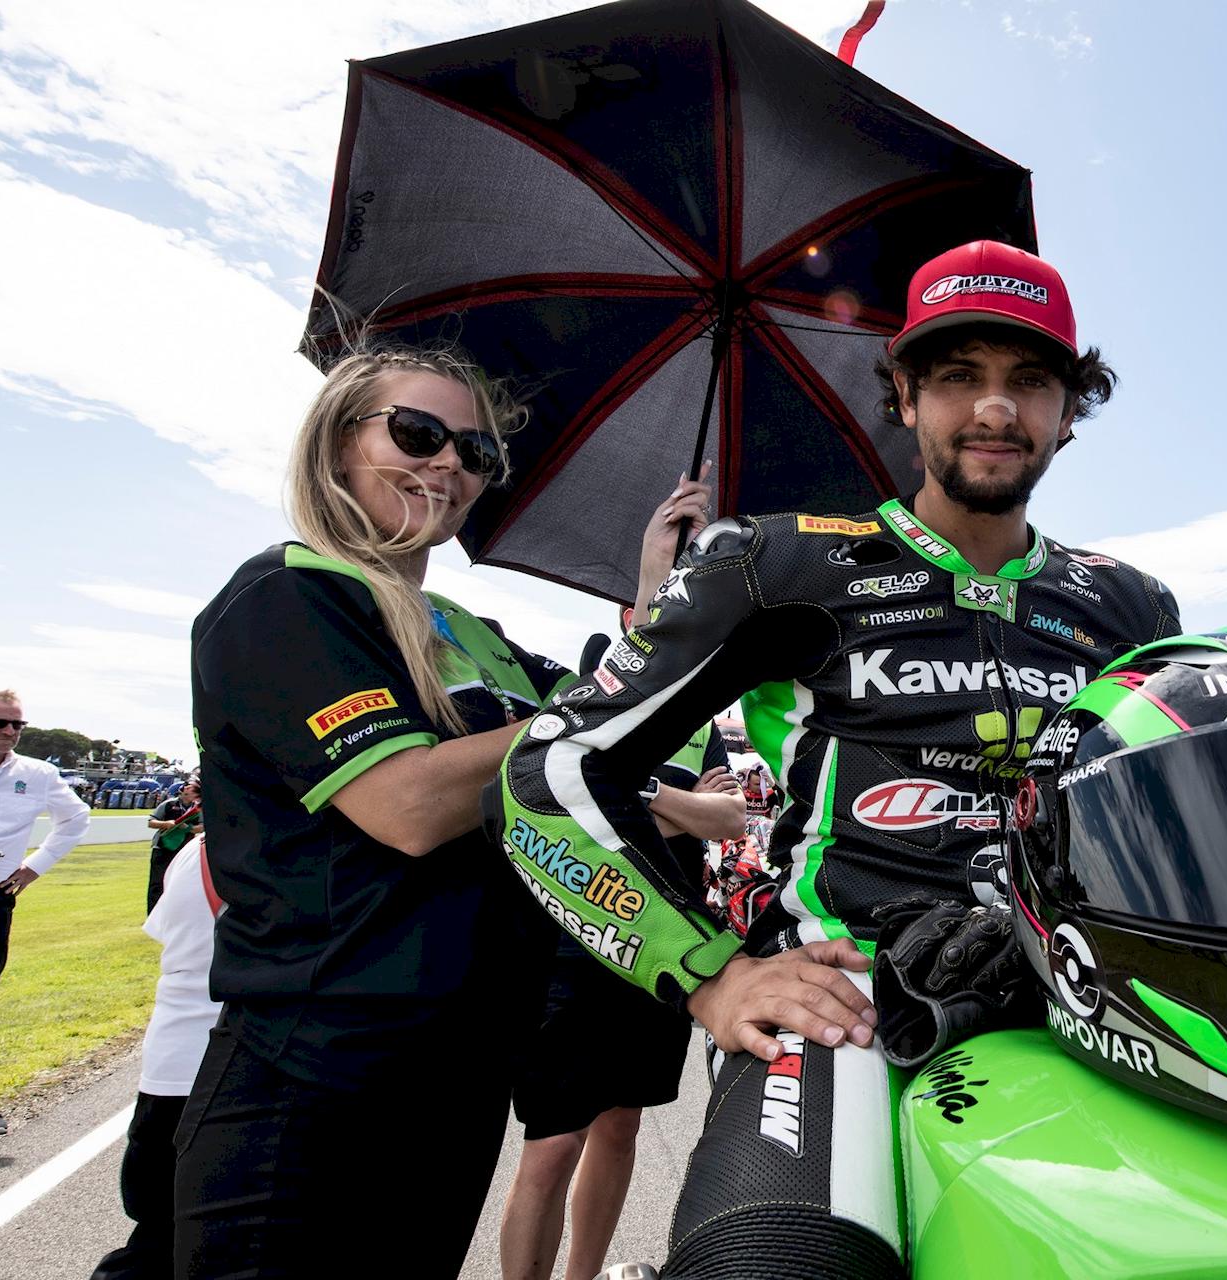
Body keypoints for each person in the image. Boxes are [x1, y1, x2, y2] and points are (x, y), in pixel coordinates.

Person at [492, 240, 1182, 1280]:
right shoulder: (782, 560)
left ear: (1068, 411)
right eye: (959, 376)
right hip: (840, 1010)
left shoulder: (1130, 604)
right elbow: (546, 775)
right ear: (904, 395)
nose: (995, 408)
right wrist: (710, 973)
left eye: (1029, 380)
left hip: (1069, 1005)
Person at [175, 343, 573, 1277]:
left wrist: (664, 601)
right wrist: (576, 723)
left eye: (475, 453)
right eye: (419, 433)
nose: (448, 465)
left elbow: (619, 749)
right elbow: (409, 805)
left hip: (459, 1073)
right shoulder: (287, 595)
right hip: (318, 1077)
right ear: (337, 445)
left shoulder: (474, 636)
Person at [499, 476, 747, 1280]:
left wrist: (648, 799)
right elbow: (555, 788)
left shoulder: (713, 711)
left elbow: (732, 817)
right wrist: (678, 805)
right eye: (667, 591)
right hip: (579, 933)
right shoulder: (584, 683)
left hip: (667, 935)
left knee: (621, 1128)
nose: (682, 604)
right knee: (553, 1143)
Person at [0, 690, 91, 1136]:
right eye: (0, 723)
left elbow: (76, 819)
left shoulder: (39, 773)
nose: (10, 732)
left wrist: (33, 868)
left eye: (18, 725)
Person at [91, 834, 223, 1280]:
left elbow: (164, 930)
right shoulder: (274, 842)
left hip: (169, 1066)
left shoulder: (195, 849)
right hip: (224, 1063)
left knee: (159, 1235)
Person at [144, 779, 201, 912]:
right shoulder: (168, 804)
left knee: (181, 882)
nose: (187, 793)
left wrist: (188, 828)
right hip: (162, 847)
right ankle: (153, 913)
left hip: (184, 850)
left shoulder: (197, 809)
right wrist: (166, 824)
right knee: (157, 882)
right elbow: (151, 822)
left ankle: (175, 912)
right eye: (185, 790)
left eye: (191, 791)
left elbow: (202, 827)